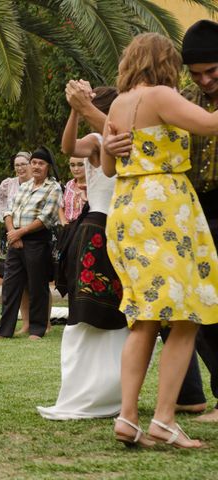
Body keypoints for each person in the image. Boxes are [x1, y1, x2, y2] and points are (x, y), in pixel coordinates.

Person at [101, 32, 218, 448]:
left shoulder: (117, 103)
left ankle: (128, 417)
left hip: (127, 206)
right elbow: (208, 124)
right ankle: (165, 419)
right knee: (185, 316)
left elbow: (108, 166)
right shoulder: (161, 96)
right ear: (164, 63)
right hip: (163, 206)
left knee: (144, 317)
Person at [37, 84, 129, 420]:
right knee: (89, 311)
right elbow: (67, 147)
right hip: (98, 229)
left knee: (118, 314)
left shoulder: (123, 138)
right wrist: (76, 110)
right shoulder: (97, 141)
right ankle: (90, 392)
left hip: (124, 229)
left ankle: (114, 391)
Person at [0, 147, 62, 340]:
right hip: (15, 240)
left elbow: (46, 218)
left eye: (40, 163)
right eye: (34, 163)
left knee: (37, 286)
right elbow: (8, 210)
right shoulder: (25, 186)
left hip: (37, 241)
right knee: (10, 286)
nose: (36, 166)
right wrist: (13, 233)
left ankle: (37, 329)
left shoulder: (53, 187)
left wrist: (20, 233)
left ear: (48, 167)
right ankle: (3, 331)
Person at [0, 152, 32, 335]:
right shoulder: (8, 184)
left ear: (31, 164)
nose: (20, 168)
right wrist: (10, 231)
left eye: (23, 164)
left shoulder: (40, 183)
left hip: (33, 233)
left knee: (36, 281)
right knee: (13, 279)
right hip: (10, 233)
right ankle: (24, 323)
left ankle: (43, 323)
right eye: (17, 165)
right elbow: (0, 204)